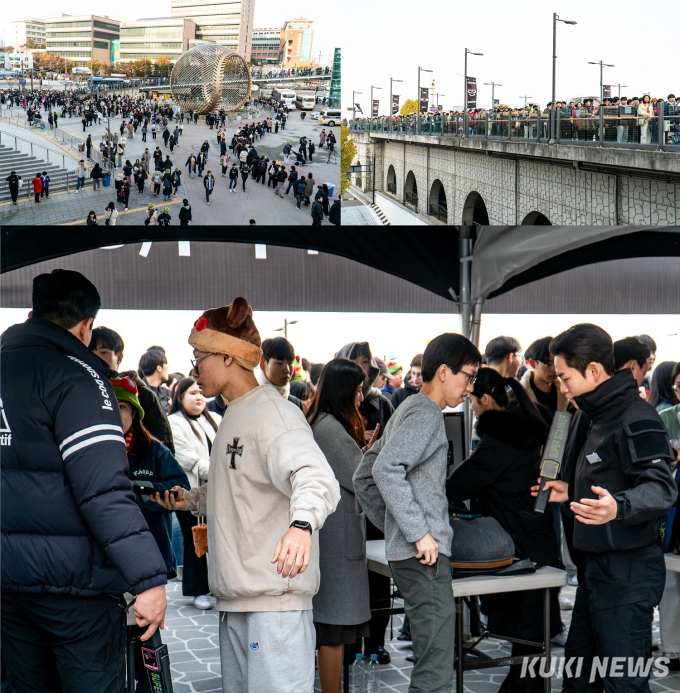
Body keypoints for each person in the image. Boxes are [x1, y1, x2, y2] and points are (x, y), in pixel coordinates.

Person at [150, 296, 340, 693]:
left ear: (227, 357)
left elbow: (316, 476)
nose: (194, 368)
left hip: (273, 603)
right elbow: (238, 485)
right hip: (238, 598)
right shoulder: (234, 411)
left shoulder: (273, 413)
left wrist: (302, 525)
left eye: (199, 356)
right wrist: (190, 500)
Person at [1, 269, 168, 693]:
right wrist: (148, 578)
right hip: (74, 587)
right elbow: (103, 490)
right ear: (86, 326)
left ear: (34, 312)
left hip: (8, 583)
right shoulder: (78, 376)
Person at [533, 324, 677, 693]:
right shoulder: (591, 414)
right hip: (595, 569)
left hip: (628, 573)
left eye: (565, 377)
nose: (561, 387)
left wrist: (620, 507)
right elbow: (607, 474)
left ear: (594, 370)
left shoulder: (635, 416)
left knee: (622, 683)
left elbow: (661, 487)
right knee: (581, 679)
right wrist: (570, 489)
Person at [354, 333, 482, 693]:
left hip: (412, 553)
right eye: (468, 376)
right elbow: (382, 471)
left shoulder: (408, 408)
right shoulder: (424, 412)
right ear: (444, 371)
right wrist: (417, 532)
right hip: (424, 556)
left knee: (433, 659)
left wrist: (398, 527)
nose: (470, 387)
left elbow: (364, 475)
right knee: (436, 666)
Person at [448, 367, 560, 693]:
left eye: (471, 398)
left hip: (517, 551)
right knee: (531, 650)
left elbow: (455, 488)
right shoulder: (536, 425)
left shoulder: (496, 445)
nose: (469, 405)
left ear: (484, 399)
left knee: (526, 649)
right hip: (540, 541)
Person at [307, 359, 373, 693]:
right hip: (335, 541)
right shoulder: (331, 429)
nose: (361, 397)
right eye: (358, 389)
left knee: (332, 630)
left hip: (332, 537)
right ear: (343, 391)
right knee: (332, 631)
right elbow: (360, 476)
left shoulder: (322, 423)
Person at [168, 377, 221, 610]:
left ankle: (217, 586)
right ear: (179, 397)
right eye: (192, 393)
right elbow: (189, 460)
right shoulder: (174, 423)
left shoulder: (217, 419)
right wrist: (219, 467)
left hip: (219, 489)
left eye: (201, 392)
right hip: (190, 491)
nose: (199, 397)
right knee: (194, 540)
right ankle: (198, 590)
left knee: (218, 539)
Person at [89, 326, 174, 451]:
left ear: (119, 357)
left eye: (103, 352)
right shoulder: (80, 393)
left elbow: (165, 449)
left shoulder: (144, 396)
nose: (95, 359)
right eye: (89, 354)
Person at [520, 337, 570, 416]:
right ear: (532, 363)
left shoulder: (566, 395)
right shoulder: (518, 395)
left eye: (556, 364)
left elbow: (562, 427)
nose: (554, 369)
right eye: (548, 364)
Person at [255, 337, 306, 410]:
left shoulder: (297, 405)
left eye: (290, 363)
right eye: (279, 363)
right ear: (263, 364)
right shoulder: (249, 401)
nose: (287, 369)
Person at [139, 348, 172, 413]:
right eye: (165, 364)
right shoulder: (138, 390)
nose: (168, 367)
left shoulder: (167, 393)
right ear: (159, 368)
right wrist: (167, 404)